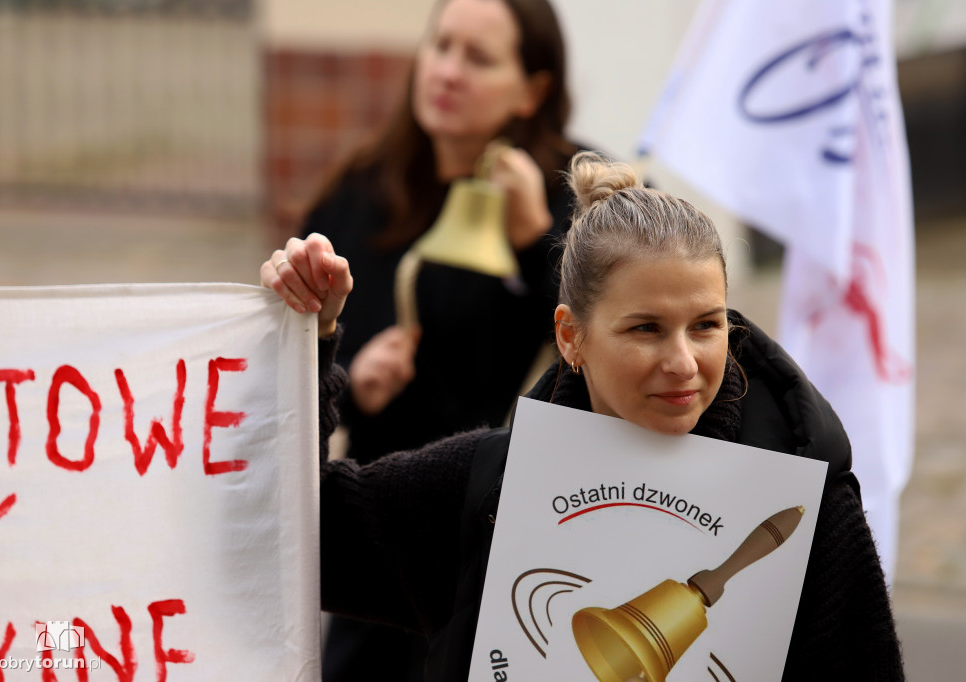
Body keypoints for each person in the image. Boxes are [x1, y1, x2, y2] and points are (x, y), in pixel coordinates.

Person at [261, 152, 905, 681]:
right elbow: (297, 535)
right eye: (646, 329)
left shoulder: (807, 512)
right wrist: (306, 345)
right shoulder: (488, 488)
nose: (683, 361)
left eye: (706, 325)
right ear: (571, 336)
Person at [298, 0, 577, 677]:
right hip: (369, 519)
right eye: (441, 45)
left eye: (478, 58)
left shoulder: (574, 197)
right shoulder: (362, 191)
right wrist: (351, 381)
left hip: (487, 516)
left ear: (532, 89)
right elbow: (294, 357)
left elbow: (613, 343)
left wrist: (537, 241)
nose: (448, 72)